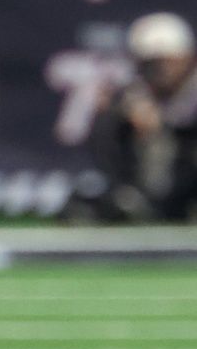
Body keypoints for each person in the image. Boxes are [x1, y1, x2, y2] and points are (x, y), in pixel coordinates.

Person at [73, 12, 197, 222]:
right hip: (149, 189)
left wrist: (165, 128)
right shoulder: (128, 100)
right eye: (152, 62)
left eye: (168, 61)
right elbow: (107, 155)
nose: (161, 70)